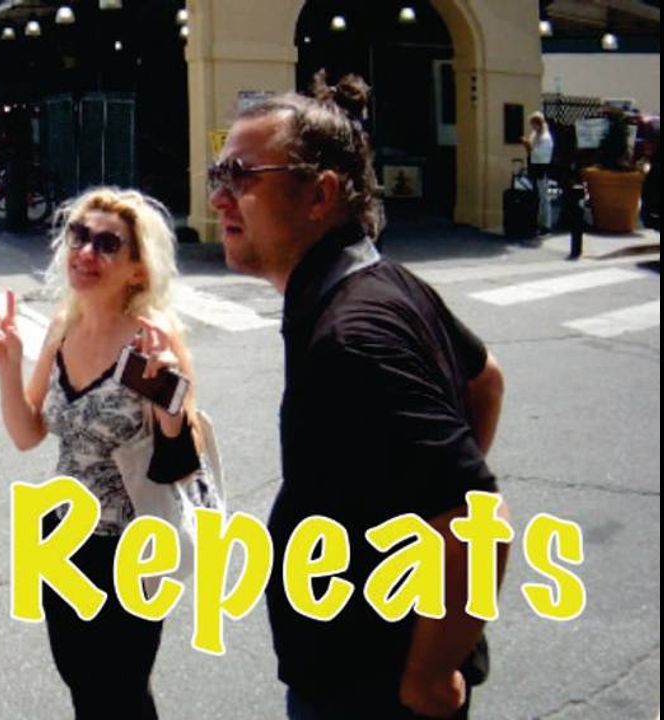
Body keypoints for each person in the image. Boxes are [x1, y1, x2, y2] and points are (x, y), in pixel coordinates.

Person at [208, 71, 508, 719]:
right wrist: (414, 498)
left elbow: (476, 522)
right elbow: (484, 378)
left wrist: (429, 674)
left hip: (369, 683)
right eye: (217, 174)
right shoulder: (379, 280)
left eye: (241, 176)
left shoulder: (351, 337)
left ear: (319, 195)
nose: (219, 197)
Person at [0, 187, 203, 719]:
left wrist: (167, 393)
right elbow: (28, 434)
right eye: (79, 236)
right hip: (61, 537)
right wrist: (8, 365)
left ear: (137, 270)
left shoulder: (150, 339)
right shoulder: (64, 326)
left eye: (107, 244)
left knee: (122, 692)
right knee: (82, 683)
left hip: (131, 545)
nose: (85, 252)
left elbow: (183, 455)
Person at [522, 111, 555, 232]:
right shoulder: (535, 134)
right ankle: (537, 221)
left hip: (542, 168)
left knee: (543, 197)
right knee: (537, 196)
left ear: (538, 124)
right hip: (534, 167)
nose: (532, 127)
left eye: (533, 124)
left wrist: (529, 147)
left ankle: (546, 224)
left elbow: (541, 155)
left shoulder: (545, 138)